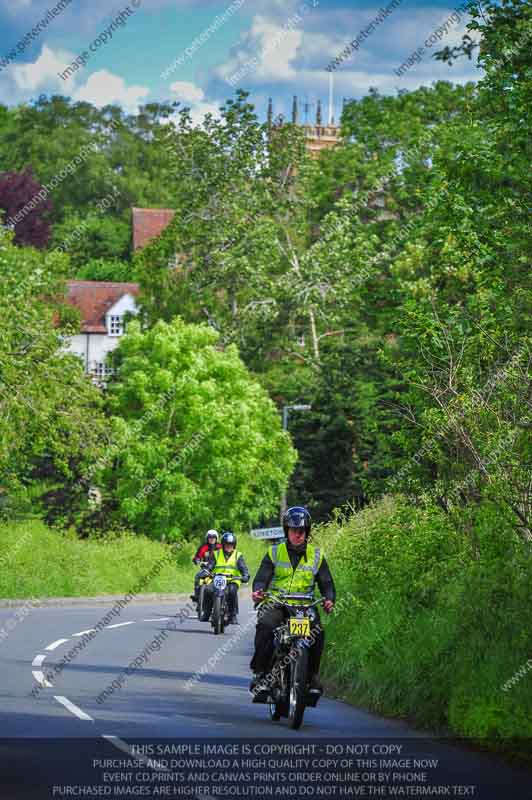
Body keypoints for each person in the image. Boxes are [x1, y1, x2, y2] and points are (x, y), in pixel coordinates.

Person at [249, 506, 335, 693]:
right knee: (265, 626)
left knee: (317, 633)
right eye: (294, 530)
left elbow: (326, 582)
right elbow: (262, 578)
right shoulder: (274, 552)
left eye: (301, 531)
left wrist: (329, 599)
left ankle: (311, 677)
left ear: (307, 532)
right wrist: (258, 591)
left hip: (305, 606)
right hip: (278, 603)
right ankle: (261, 673)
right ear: (286, 531)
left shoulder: (317, 555)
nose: (298, 534)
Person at [201, 532, 249, 625]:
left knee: (232, 591)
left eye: (231, 544)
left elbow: (243, 567)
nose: (228, 546)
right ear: (223, 544)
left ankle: (233, 615)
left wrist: (245, 575)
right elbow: (210, 565)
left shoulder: (238, 555)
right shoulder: (216, 554)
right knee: (208, 590)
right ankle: (206, 612)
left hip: (232, 580)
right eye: (227, 544)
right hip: (217, 578)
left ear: (234, 545)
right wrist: (206, 571)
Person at [190, 529, 221, 603]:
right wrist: (197, 560)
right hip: (206, 570)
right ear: (207, 538)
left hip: (219, 570)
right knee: (197, 576)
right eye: (210, 537)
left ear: (216, 538)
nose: (212, 539)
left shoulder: (220, 547)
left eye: (213, 537)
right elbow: (197, 556)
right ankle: (197, 595)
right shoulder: (203, 547)